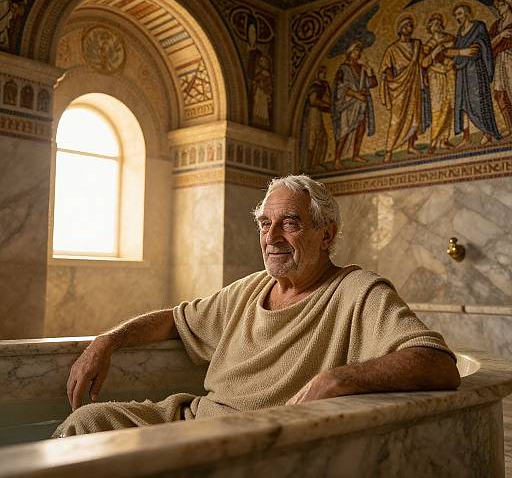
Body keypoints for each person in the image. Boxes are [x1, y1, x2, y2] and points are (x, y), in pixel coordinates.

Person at [53, 174, 460, 437]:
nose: (272, 236)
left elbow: (437, 364)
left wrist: (339, 379)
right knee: (85, 422)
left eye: (291, 222)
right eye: (266, 223)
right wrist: (107, 341)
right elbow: (174, 321)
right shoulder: (249, 290)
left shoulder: (357, 290)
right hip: (190, 420)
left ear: (326, 234)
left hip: (254, 441)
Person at [444, 4, 501, 146]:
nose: (458, 17)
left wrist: (466, 50)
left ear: (468, 13)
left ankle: (487, 133)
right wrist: (459, 54)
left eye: (460, 13)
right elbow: (456, 51)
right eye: (456, 15)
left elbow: (482, 45)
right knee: (462, 102)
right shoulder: (460, 32)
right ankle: (466, 137)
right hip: (462, 72)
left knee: (478, 100)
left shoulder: (478, 26)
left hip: (475, 69)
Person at [379, 15, 430, 162]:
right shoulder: (392, 49)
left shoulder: (417, 45)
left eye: (411, 26)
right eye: (408, 26)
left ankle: (410, 145)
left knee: (414, 115)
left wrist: (434, 53)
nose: (411, 28)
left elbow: (422, 63)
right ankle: (389, 150)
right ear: (401, 29)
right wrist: (393, 82)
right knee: (397, 119)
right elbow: (387, 68)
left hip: (414, 84)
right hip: (399, 87)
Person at [332, 41, 377, 168]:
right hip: (348, 104)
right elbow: (340, 88)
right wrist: (356, 94)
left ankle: (356, 154)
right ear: (350, 53)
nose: (358, 53)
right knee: (345, 130)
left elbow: (372, 84)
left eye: (359, 51)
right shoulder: (343, 69)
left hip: (362, 103)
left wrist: (370, 71)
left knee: (360, 128)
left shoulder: (362, 68)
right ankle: (337, 158)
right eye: (356, 51)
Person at [421, 13, 456, 152]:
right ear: (430, 27)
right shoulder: (428, 44)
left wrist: (451, 61)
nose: (437, 26)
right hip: (435, 76)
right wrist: (435, 52)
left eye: (438, 22)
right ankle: (434, 142)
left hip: (450, 74)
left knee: (449, 106)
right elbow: (424, 63)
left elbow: (456, 53)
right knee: (438, 108)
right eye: (433, 24)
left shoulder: (451, 38)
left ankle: (444, 140)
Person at [490, 0, 512, 137]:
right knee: (499, 94)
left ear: (509, 4)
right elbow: (489, 44)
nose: (499, 8)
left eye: (501, 4)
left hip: (511, 57)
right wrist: (501, 35)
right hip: (499, 60)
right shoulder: (496, 25)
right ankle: (509, 126)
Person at [301, 66, 331, 170]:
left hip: (317, 113)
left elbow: (326, 99)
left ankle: (316, 162)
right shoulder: (314, 86)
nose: (324, 74)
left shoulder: (322, 86)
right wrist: (328, 106)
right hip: (313, 114)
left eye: (325, 72)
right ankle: (309, 164)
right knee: (313, 138)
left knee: (322, 137)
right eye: (322, 72)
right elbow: (313, 101)